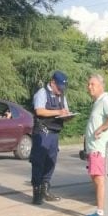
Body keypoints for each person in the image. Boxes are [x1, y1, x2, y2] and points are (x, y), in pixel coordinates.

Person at [82, 74, 108, 216]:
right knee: (96, 179)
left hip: (100, 149)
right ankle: (101, 210)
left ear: (101, 86)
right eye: (89, 84)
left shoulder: (105, 100)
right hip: (94, 149)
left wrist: (102, 128)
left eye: (92, 84)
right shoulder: (98, 102)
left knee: (99, 180)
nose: (89, 87)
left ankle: (100, 213)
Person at [30, 71, 71, 204]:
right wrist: (58, 112)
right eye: (59, 87)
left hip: (54, 133)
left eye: (62, 87)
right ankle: (37, 193)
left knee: (51, 162)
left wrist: (67, 116)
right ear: (52, 82)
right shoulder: (42, 93)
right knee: (38, 162)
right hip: (42, 132)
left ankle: (46, 190)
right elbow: (39, 110)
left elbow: (65, 110)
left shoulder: (62, 95)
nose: (61, 90)